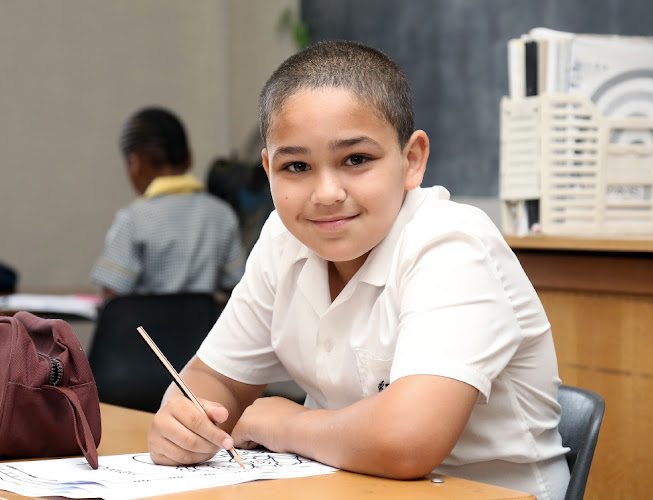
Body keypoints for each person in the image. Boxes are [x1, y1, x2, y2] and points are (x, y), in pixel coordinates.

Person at [148, 41, 570, 500]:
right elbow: (215, 381)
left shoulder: (451, 244)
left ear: (411, 160)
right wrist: (186, 421)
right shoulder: (283, 239)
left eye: (356, 159)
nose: (327, 192)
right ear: (269, 171)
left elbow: (407, 442)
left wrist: (288, 422)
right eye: (296, 166)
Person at [91, 107, 245, 300]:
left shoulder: (133, 219)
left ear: (135, 163)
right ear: (190, 157)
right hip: (203, 330)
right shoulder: (221, 214)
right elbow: (239, 288)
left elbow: (110, 294)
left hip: (144, 331)